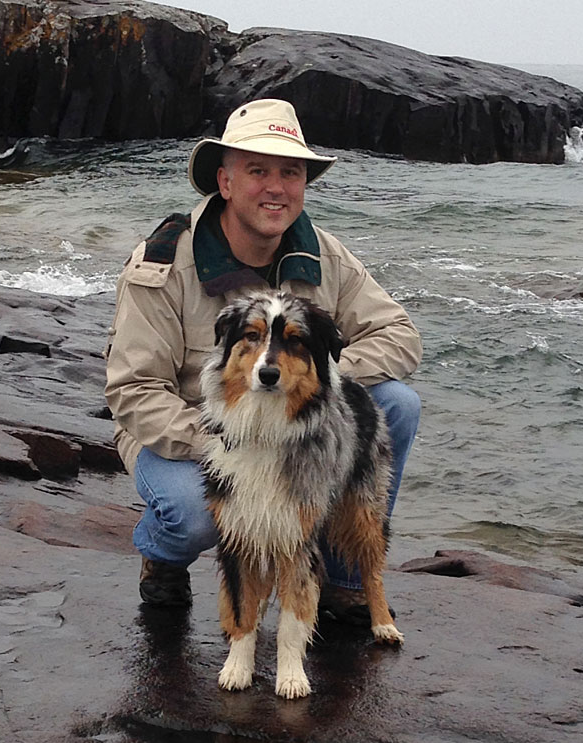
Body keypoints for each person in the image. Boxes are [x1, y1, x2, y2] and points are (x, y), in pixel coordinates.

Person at [105, 98, 422, 622]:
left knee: (397, 403)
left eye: (290, 172)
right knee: (193, 515)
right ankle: (161, 554)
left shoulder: (324, 253)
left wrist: (317, 378)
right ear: (225, 182)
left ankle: (343, 579)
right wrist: (227, 439)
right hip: (189, 430)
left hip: (290, 426)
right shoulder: (162, 263)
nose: (276, 187)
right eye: (258, 170)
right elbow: (132, 392)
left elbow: (400, 335)